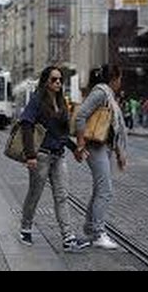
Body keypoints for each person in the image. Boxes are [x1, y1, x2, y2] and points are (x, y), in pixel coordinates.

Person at [19, 66, 90, 252]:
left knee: (62, 196)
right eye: (53, 79)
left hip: (58, 156)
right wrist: (30, 155)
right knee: (34, 194)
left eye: (60, 80)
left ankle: (68, 238)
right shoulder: (37, 100)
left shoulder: (62, 103)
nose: (58, 82)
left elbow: (62, 134)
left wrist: (75, 149)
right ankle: (25, 227)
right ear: (45, 82)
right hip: (41, 155)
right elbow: (26, 124)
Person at [75, 64, 128, 249]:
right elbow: (80, 116)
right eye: (120, 79)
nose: (121, 83)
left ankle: (91, 227)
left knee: (100, 189)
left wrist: (120, 152)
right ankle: (98, 233)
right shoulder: (100, 93)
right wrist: (80, 144)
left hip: (104, 146)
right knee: (105, 190)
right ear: (114, 79)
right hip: (95, 146)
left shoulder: (108, 95)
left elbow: (114, 128)